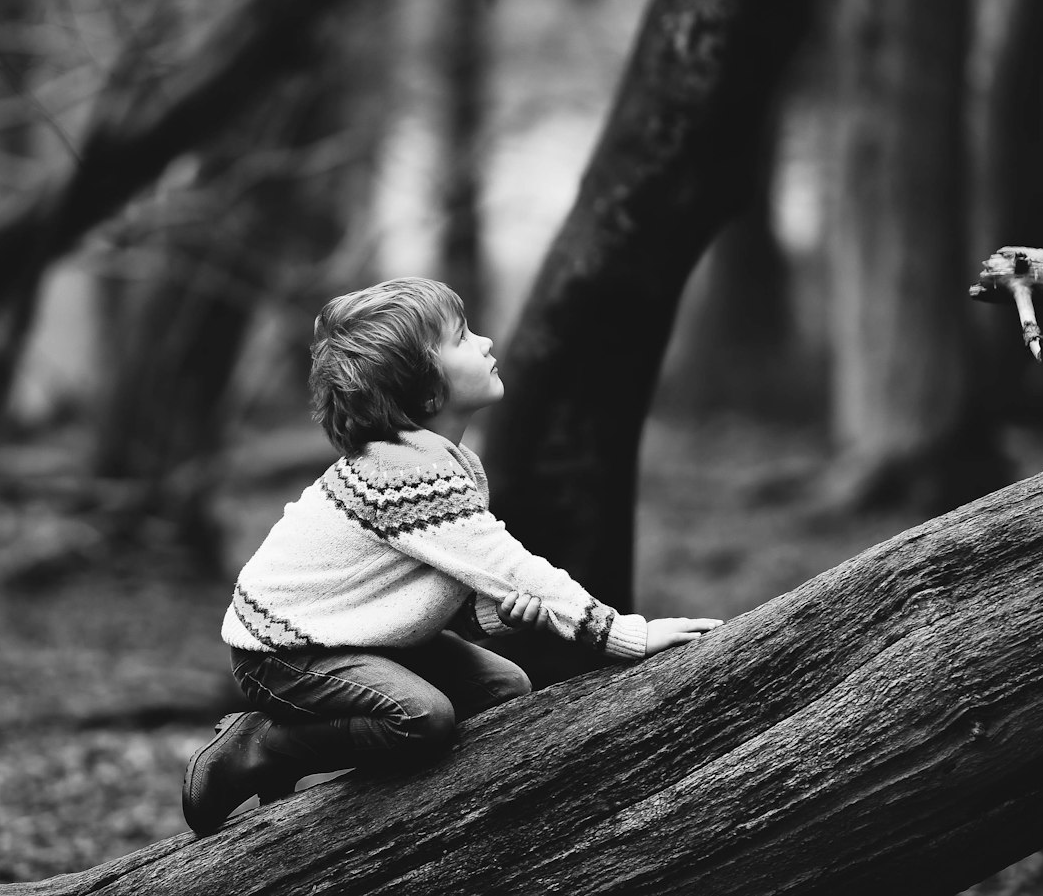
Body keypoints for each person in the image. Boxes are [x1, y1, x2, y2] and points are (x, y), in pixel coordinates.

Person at [181, 277, 722, 836]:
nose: (486, 342)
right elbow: (512, 565)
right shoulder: (404, 474)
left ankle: (408, 807)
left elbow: (427, 584)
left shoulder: (449, 462)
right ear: (429, 393)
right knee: (422, 717)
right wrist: (624, 635)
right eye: (462, 338)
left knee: (502, 689)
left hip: (355, 634)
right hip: (284, 653)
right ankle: (260, 747)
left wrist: (496, 616)